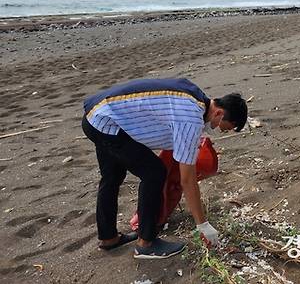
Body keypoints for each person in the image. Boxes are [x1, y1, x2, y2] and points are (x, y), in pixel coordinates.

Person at [81, 78, 248, 259]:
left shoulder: (195, 96)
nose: (220, 130)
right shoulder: (191, 117)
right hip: (106, 123)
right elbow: (187, 180)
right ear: (219, 113)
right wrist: (202, 224)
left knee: (112, 176)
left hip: (97, 116)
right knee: (154, 172)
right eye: (225, 127)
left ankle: (108, 238)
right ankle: (146, 243)